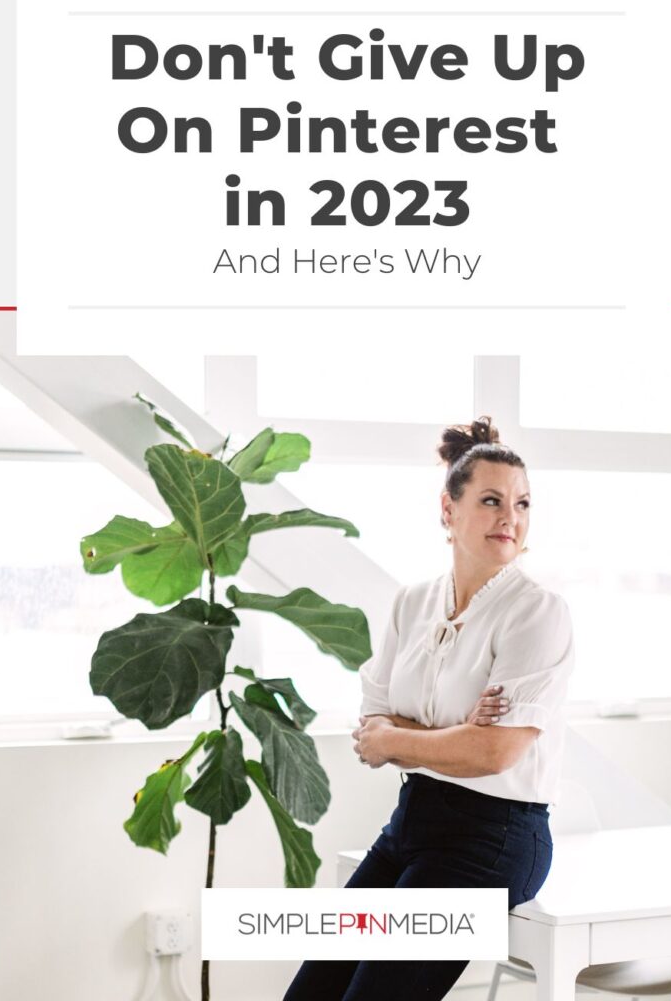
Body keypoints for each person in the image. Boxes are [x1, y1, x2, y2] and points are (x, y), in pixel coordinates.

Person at [282, 417, 574, 1001]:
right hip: (411, 824)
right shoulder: (411, 603)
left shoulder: (537, 612)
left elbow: (495, 752)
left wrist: (405, 738)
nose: (509, 518)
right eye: (491, 501)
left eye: (521, 503)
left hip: (494, 840)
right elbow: (371, 729)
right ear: (449, 510)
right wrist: (453, 734)